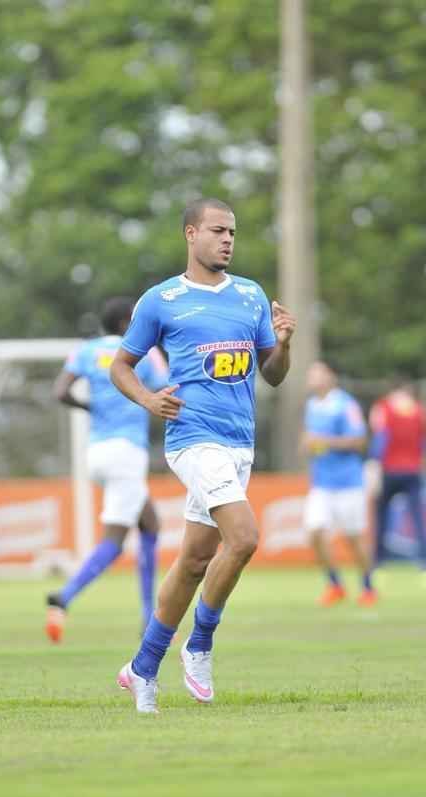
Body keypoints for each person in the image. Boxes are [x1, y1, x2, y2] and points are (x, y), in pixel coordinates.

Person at [110, 197, 296, 713]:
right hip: (193, 439)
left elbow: (273, 375)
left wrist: (283, 344)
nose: (228, 240)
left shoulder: (251, 295)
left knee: (194, 560)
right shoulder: (161, 299)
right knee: (245, 538)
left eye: (232, 232)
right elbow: (121, 366)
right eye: (217, 231)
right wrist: (148, 399)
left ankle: (142, 667)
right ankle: (199, 644)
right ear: (191, 234)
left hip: (239, 444)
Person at [46, 296, 168, 643]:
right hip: (127, 451)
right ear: (127, 323)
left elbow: (60, 392)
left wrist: (91, 408)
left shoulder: (86, 351)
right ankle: (64, 597)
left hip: (97, 451)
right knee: (114, 542)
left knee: (150, 523)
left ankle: (149, 616)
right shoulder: (144, 351)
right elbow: (168, 385)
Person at [300, 361, 375, 607]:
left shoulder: (345, 404)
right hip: (322, 483)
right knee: (314, 532)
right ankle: (335, 584)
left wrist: (324, 441)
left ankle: (368, 586)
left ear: (331, 377)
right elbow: (310, 441)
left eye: (317, 374)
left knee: (354, 538)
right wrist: (307, 446)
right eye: (310, 374)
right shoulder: (311, 405)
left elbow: (359, 441)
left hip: (348, 482)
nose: (312, 378)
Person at [369, 380, 426, 570]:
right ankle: (425, 560)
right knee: (417, 517)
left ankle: (379, 559)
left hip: (389, 469)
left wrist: (374, 461)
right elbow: (424, 442)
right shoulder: (419, 410)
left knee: (382, 515)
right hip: (413, 470)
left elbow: (381, 438)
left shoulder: (383, 407)